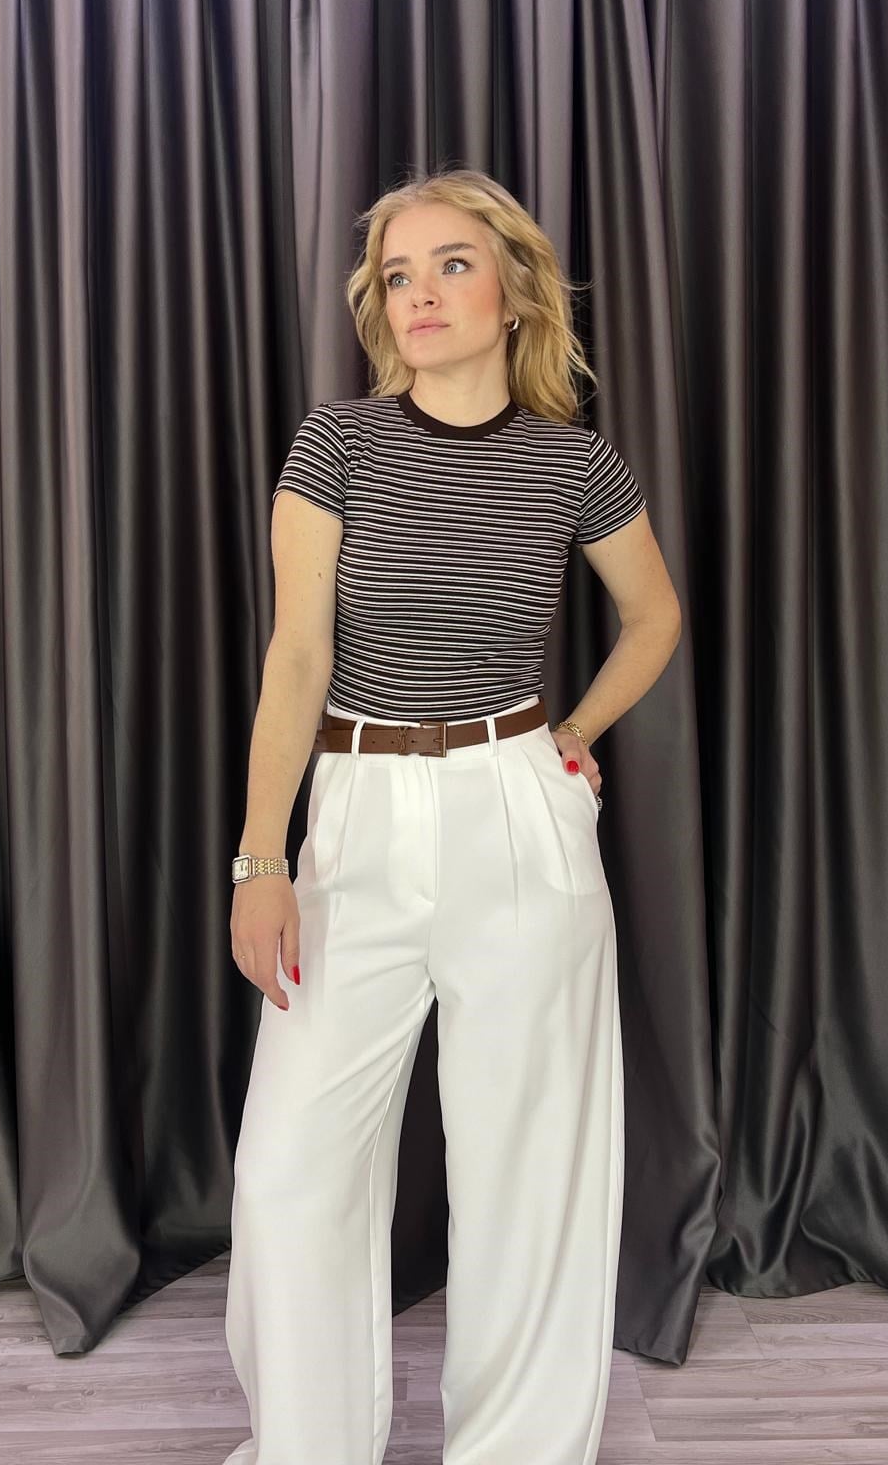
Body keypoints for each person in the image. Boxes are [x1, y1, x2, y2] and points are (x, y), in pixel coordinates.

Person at [223, 166, 682, 1465]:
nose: (419, 294)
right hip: (357, 813)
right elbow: (296, 660)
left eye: (452, 265)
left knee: (528, 1168)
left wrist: (572, 735)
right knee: (291, 1169)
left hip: (516, 810)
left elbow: (654, 617)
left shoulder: (574, 462)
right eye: (397, 275)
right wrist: (261, 860)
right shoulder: (337, 445)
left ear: (516, 291)